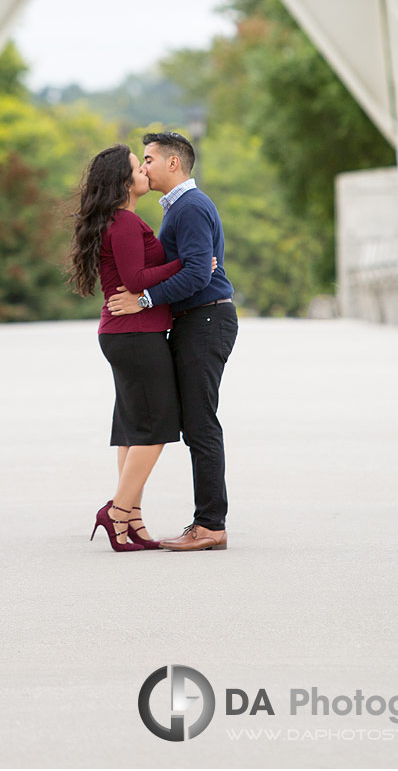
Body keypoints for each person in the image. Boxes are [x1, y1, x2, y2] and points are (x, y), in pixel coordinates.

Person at [107, 131, 238, 551]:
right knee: (193, 421)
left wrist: (144, 298)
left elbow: (199, 274)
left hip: (206, 319)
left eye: (148, 159)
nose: (143, 167)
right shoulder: (178, 209)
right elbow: (188, 266)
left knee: (201, 423)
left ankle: (210, 525)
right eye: (140, 162)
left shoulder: (191, 207)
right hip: (192, 321)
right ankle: (137, 515)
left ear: (173, 164)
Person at [69, 144, 189, 553]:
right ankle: (117, 512)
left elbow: (134, 276)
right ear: (124, 181)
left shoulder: (122, 220)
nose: (145, 172)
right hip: (134, 335)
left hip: (127, 333)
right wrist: (189, 263)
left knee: (133, 428)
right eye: (139, 167)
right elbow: (136, 278)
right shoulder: (122, 223)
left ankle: (132, 521)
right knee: (155, 427)